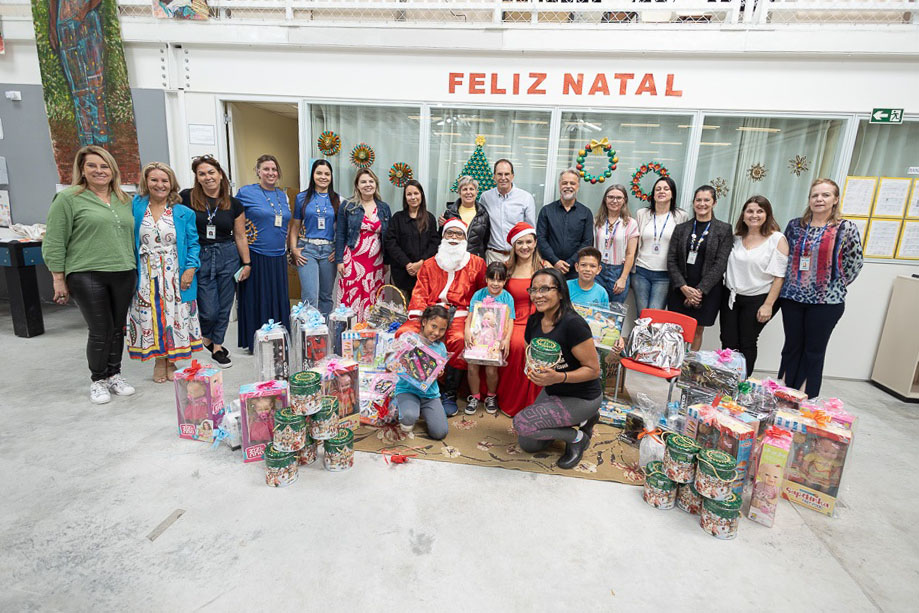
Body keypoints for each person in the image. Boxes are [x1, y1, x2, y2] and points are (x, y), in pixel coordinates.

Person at [43, 145, 136, 404]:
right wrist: (58, 277)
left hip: (123, 270)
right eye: (92, 166)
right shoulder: (69, 198)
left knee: (118, 328)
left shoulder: (124, 199)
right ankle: (98, 380)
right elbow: (54, 239)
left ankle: (115, 374)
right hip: (87, 273)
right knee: (100, 329)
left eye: (104, 165)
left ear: (112, 170)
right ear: (82, 170)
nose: (99, 170)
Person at [778, 178, 863, 398]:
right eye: (815, 195)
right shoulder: (796, 225)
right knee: (791, 347)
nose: (819, 199)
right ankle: (784, 394)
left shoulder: (845, 228)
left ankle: (806, 398)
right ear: (809, 199)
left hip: (826, 302)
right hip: (793, 298)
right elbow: (785, 257)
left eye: (825, 195)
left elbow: (854, 263)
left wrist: (834, 284)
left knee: (813, 351)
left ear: (835, 200)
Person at [512, 268, 603, 469]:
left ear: (560, 292)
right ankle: (581, 422)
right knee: (529, 444)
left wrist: (558, 377)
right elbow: (530, 354)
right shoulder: (534, 320)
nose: (538, 295)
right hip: (554, 391)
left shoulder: (574, 325)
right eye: (533, 290)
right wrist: (531, 370)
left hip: (582, 396)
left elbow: (593, 370)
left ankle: (577, 437)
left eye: (545, 289)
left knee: (522, 424)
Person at [397, 218, 486, 415]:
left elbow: (482, 294)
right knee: (405, 333)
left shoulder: (477, 264)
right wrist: (418, 318)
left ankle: (449, 392)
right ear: (443, 236)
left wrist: (479, 320)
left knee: (460, 340)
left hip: (463, 313)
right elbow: (419, 292)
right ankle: (414, 386)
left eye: (458, 234)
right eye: (450, 233)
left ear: (465, 238)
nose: (454, 238)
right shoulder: (430, 264)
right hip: (432, 312)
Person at [127, 162, 202, 382]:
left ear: (172, 184)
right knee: (150, 315)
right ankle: (159, 361)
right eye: (154, 180)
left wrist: (190, 269)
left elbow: (194, 243)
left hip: (174, 272)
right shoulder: (135, 206)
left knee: (175, 315)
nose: (159, 184)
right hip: (146, 271)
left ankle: (172, 360)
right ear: (146, 182)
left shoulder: (183, 212)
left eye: (164, 180)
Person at [181, 155, 250, 368]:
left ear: (220, 175)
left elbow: (240, 235)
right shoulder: (186, 198)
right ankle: (207, 338)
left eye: (211, 172)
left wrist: (246, 263)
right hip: (200, 255)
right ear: (197, 178)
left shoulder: (234, 204)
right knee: (208, 308)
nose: (207, 177)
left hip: (228, 255)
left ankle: (217, 345)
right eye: (202, 174)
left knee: (225, 305)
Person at [721, 196, 789, 377]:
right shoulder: (736, 238)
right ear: (743, 215)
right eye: (750, 211)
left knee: (747, 341)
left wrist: (768, 305)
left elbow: (779, 277)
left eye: (760, 211)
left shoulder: (776, 239)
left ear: (767, 215)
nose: (754, 215)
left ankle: (742, 382)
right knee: (728, 341)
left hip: (758, 298)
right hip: (732, 297)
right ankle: (726, 381)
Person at [235, 154, 291, 351]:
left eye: (274, 169)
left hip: (278, 255)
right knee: (257, 298)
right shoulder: (245, 193)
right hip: (256, 254)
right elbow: (237, 225)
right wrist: (244, 259)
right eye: (266, 169)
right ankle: (256, 342)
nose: (271, 173)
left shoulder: (282, 195)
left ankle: (277, 339)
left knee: (277, 297)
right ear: (258, 171)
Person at [667, 185, 733, 350]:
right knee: (677, 330)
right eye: (698, 200)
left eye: (706, 200)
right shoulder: (681, 228)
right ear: (693, 202)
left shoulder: (724, 229)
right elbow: (671, 259)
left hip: (707, 290)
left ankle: (688, 368)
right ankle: (674, 367)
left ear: (714, 203)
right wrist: (683, 287)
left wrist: (699, 291)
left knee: (697, 330)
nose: (702, 204)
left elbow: (720, 263)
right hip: (680, 288)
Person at [495, 222, 543, 416]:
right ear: (514, 246)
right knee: (516, 345)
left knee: (539, 346)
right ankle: (510, 400)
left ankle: (534, 403)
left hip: (539, 319)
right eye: (520, 243)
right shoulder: (506, 269)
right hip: (512, 319)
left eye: (529, 242)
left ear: (535, 242)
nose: (525, 246)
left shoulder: (544, 268)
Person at [335, 168, 392, 320]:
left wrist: (387, 261)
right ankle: (351, 330)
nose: (368, 184)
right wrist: (339, 260)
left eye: (371, 181)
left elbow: (388, 237)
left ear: (376, 184)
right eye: (363, 182)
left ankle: (369, 334)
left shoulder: (384, 208)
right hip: (352, 259)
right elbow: (340, 233)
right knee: (352, 293)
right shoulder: (348, 205)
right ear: (357, 186)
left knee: (373, 295)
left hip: (376, 261)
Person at [464, 262, 515, 415]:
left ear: (505, 281)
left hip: (495, 339)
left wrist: (506, 339)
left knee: (492, 369)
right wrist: (467, 331)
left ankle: (491, 396)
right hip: (478, 336)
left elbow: (510, 320)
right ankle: (475, 397)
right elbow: (471, 316)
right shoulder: (478, 294)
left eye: (500, 280)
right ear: (486, 279)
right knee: (472, 367)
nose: (495, 283)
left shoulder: (507, 297)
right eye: (492, 279)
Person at [289, 159, 339, 317]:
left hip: (328, 251)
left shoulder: (337, 200)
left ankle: (324, 334)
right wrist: (293, 249)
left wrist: (338, 250)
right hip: (307, 251)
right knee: (310, 297)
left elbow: (341, 230)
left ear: (331, 177)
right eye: (319, 173)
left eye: (327, 174)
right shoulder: (302, 198)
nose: (323, 177)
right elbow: (295, 226)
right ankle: (310, 337)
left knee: (325, 296)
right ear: (313, 175)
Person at [633, 177, 689, 313]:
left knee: (655, 314)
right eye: (658, 189)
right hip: (641, 271)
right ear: (653, 194)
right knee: (642, 314)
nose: (661, 192)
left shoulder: (681, 216)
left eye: (666, 189)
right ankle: (640, 335)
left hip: (664, 274)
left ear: (672, 193)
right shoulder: (643, 214)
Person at [395, 305, 452, 441]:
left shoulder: (441, 348)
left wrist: (439, 373)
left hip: (429, 394)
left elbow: (437, 372)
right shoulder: (409, 339)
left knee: (440, 433)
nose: (437, 333)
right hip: (407, 390)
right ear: (424, 321)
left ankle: (419, 409)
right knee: (408, 418)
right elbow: (392, 361)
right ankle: (402, 407)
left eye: (442, 329)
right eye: (434, 326)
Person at [384, 180, 441, 297]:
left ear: (421, 195)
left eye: (416, 193)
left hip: (424, 272)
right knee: (400, 310)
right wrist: (407, 264)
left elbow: (434, 243)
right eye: (409, 194)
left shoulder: (429, 218)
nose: (413, 197)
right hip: (401, 272)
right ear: (405, 197)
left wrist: (421, 263)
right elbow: (391, 243)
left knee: (420, 310)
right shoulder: (397, 218)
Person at [536, 169, 594, 280]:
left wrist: (569, 263)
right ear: (559, 185)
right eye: (564, 183)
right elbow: (541, 239)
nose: (568, 186)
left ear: (578, 186)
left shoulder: (586, 213)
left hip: (575, 270)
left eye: (572, 183)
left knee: (572, 297)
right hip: (550, 266)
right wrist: (555, 261)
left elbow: (587, 242)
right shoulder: (546, 211)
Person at [478, 159, 536, 264]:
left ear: (512, 176)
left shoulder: (526, 198)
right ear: (494, 176)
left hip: (517, 256)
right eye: (499, 174)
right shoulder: (485, 197)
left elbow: (530, 231)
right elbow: (476, 219)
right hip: (493, 256)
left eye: (507, 174)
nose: (503, 178)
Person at [594, 184, 639, 305]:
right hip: (598, 270)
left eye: (619, 198)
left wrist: (623, 278)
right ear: (605, 199)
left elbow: (630, 254)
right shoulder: (597, 221)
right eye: (610, 197)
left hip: (618, 272)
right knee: (595, 311)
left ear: (624, 201)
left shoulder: (631, 223)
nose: (614, 201)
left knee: (614, 313)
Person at [442, 175, 490, 258]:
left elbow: (486, 240)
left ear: (476, 192)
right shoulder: (449, 213)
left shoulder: (483, 214)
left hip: (475, 260)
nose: (468, 192)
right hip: (452, 259)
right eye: (464, 189)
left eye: (471, 189)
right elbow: (442, 239)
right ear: (459, 193)